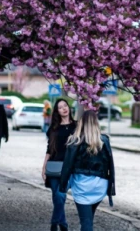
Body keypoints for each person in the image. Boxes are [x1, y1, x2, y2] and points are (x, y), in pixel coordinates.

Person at [59, 110, 116, 231]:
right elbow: (110, 165)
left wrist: (63, 186)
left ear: (81, 123)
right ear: (96, 123)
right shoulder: (104, 141)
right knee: (88, 219)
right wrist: (110, 188)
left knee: (86, 222)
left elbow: (67, 166)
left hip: (82, 186)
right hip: (99, 186)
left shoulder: (74, 141)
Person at [41, 99, 77, 231]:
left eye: (65, 106)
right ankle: (63, 224)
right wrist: (44, 167)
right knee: (57, 196)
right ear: (57, 111)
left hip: (69, 167)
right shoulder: (54, 128)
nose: (64, 109)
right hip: (54, 166)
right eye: (60, 107)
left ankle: (54, 223)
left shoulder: (77, 126)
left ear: (69, 107)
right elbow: (49, 149)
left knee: (61, 195)